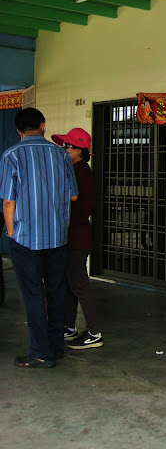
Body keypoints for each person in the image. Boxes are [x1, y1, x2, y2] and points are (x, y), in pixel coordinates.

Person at [0, 108, 78, 368]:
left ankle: (40, 352)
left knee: (33, 294)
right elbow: (73, 195)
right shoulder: (61, 154)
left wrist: (11, 232)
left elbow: (8, 201)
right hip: (57, 237)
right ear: (43, 126)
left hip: (25, 239)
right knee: (56, 292)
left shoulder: (11, 155)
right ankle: (55, 347)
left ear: (19, 131)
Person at [51, 128, 103, 350]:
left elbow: (81, 207)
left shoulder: (80, 172)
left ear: (79, 150)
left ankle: (93, 332)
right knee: (70, 284)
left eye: (67, 146)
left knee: (79, 285)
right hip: (74, 236)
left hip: (77, 237)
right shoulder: (76, 169)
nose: (64, 149)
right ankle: (69, 326)